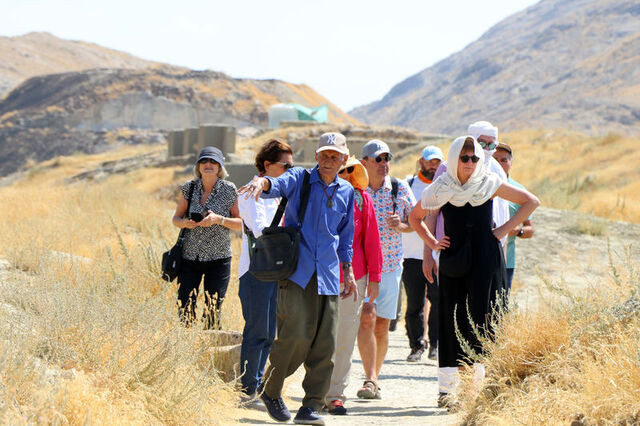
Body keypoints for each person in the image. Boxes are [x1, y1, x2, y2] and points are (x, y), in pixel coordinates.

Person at [409, 136, 539, 408]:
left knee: (482, 319)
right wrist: (432, 243)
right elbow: (414, 216)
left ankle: (474, 391)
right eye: (464, 157)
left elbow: (530, 201)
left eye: (474, 158)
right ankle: (447, 392)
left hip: (485, 260)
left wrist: (503, 230)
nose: (469, 163)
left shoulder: (489, 183)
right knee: (450, 318)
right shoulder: (442, 187)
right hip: (453, 258)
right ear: (455, 158)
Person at [238, 132, 357, 425]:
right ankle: (271, 390)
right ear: (317, 156)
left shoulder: (346, 191)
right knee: (295, 336)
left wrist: (349, 270)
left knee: (325, 345)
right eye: (324, 155)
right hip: (297, 273)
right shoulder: (301, 179)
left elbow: (345, 236)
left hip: (329, 274)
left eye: (335, 156)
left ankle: (311, 406)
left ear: (343, 159)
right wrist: (261, 181)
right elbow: (275, 184)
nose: (329, 160)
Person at [357, 140, 416, 400]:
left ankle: (373, 379)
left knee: (381, 325)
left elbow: (415, 221)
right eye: (377, 159)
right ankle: (368, 377)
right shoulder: (355, 188)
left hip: (390, 265)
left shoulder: (399, 188)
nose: (384, 164)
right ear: (364, 162)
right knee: (365, 318)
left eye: (386, 158)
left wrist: (400, 225)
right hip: (361, 267)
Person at [324, 156, 382, 415]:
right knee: (318, 337)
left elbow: (371, 240)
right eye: (342, 169)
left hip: (353, 278)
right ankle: (316, 392)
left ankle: (335, 394)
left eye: (351, 170)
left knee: (345, 336)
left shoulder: (362, 200)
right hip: (318, 275)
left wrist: (374, 278)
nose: (346, 174)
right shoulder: (317, 193)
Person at [237, 139, 294, 400]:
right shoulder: (249, 192)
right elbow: (260, 230)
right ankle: (248, 387)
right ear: (268, 164)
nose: (290, 171)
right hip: (255, 271)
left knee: (270, 333)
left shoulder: (283, 193)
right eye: (286, 165)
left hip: (276, 271)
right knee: (257, 330)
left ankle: (257, 384)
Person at [172, 146, 242, 329]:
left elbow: (241, 223)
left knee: (213, 311)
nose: (208, 164)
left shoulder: (229, 189)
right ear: (198, 166)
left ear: (220, 166)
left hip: (218, 259)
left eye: (213, 161)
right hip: (190, 257)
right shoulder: (189, 187)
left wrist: (219, 220)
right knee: (185, 309)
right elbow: (176, 219)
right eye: (204, 161)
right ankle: (187, 349)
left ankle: (209, 351)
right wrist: (185, 223)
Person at [401, 145, 444, 362]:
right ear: (421, 161)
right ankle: (416, 346)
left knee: (438, 301)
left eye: (437, 161)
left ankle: (435, 345)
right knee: (414, 303)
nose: (433, 165)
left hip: (437, 256)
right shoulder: (409, 184)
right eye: (430, 161)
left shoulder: (446, 187)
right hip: (411, 256)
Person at [492, 143, 534, 293]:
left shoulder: (519, 191)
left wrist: (518, 230)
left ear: (511, 163)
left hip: (506, 261)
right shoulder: (479, 184)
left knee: (500, 306)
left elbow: (530, 229)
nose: (499, 163)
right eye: (495, 159)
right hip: (479, 256)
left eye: (504, 160)